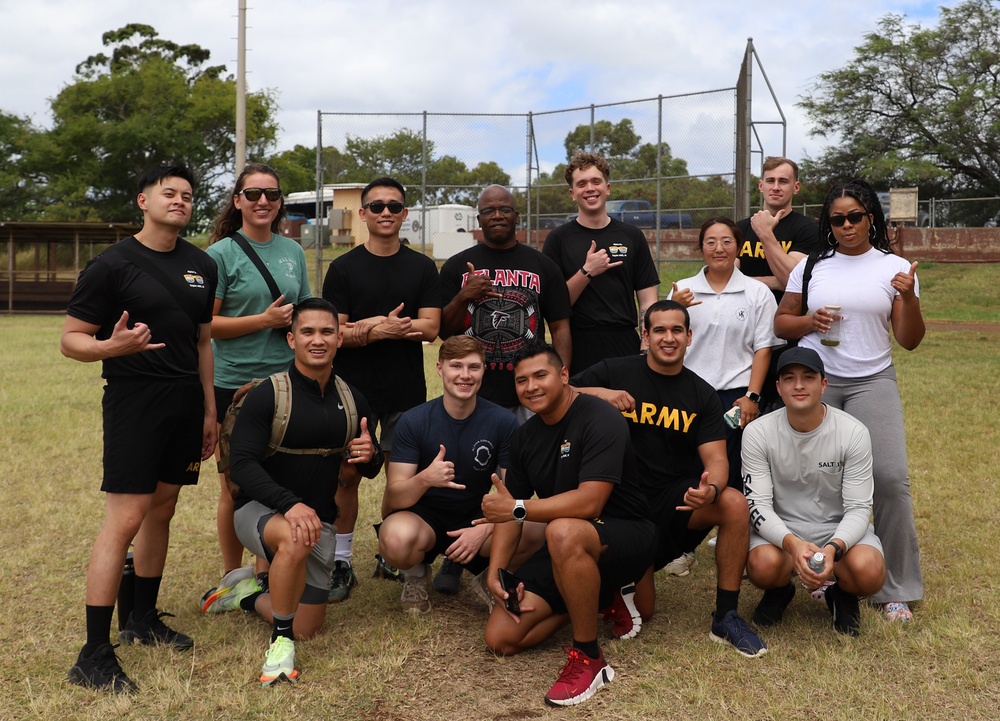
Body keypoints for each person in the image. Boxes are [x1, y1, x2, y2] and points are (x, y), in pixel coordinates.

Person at [61, 165, 218, 693]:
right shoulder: (112, 264)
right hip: (134, 401)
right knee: (124, 518)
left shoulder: (201, 264)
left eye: (187, 196)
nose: (179, 201)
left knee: (164, 506)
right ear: (143, 201)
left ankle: (141, 619)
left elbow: (202, 342)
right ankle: (92, 653)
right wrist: (112, 347)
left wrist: (209, 411)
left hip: (185, 402)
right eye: (168, 193)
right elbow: (71, 339)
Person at [202, 298, 383, 685]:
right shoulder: (268, 395)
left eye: (327, 332)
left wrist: (370, 456)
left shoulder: (353, 399)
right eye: (308, 332)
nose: (318, 340)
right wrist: (291, 504)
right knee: (295, 538)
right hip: (259, 512)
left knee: (309, 625)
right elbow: (243, 467)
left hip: (318, 521)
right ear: (291, 340)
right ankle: (280, 644)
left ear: (339, 338)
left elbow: (369, 469)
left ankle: (246, 595)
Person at [572, 300, 766, 658]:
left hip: (670, 500)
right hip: (617, 502)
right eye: (659, 329)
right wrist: (602, 394)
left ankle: (726, 616)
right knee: (645, 610)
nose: (668, 337)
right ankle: (619, 576)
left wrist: (711, 489)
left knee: (734, 503)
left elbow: (717, 459)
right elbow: (559, 390)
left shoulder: (701, 394)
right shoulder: (615, 372)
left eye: (677, 330)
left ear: (689, 336)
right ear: (645, 336)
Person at [774, 177, 925, 622]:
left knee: (890, 478)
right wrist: (808, 322)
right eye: (837, 219)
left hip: (871, 380)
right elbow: (783, 322)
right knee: (817, 483)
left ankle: (895, 587)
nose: (846, 225)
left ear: (871, 217)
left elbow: (909, 340)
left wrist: (907, 298)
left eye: (855, 216)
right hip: (819, 382)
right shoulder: (813, 266)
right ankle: (824, 573)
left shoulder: (894, 266)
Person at [478, 342, 655, 707]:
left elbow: (591, 501)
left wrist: (517, 508)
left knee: (560, 529)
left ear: (562, 375)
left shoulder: (599, 417)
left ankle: (589, 657)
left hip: (626, 531)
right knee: (500, 638)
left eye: (540, 375)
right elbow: (508, 514)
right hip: (571, 541)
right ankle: (599, 595)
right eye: (522, 380)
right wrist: (496, 572)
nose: (531, 387)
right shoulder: (526, 436)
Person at [321, 177, 441, 601]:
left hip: (405, 392)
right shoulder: (343, 268)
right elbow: (336, 333)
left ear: (405, 213)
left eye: (394, 206)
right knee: (347, 475)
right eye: (377, 206)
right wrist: (381, 328)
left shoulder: (423, 268)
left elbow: (430, 328)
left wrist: (367, 326)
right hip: (352, 393)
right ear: (363, 214)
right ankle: (340, 561)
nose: (386, 212)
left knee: (400, 477)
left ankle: (396, 559)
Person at [377, 336, 543, 612]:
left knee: (539, 531)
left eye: (473, 367)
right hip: (422, 518)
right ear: (440, 369)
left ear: (483, 370)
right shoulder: (414, 421)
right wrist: (426, 478)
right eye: (456, 366)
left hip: (475, 518)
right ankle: (417, 573)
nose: (465, 376)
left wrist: (488, 527)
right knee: (395, 538)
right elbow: (393, 495)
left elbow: (512, 495)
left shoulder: (502, 421)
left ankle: (490, 574)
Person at [206, 162, 311, 583]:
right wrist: (261, 321)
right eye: (253, 194)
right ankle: (233, 575)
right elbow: (206, 325)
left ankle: (267, 569)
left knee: (278, 478)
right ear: (238, 201)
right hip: (232, 383)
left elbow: (301, 313)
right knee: (234, 483)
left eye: (271, 194)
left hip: (285, 383)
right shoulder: (219, 255)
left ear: (280, 202)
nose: (263, 201)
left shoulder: (294, 252)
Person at [743, 347, 886, 636]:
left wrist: (834, 548)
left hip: (836, 529)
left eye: (808, 377)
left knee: (869, 571)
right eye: (789, 378)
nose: (798, 385)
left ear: (823, 384)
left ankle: (842, 595)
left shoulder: (853, 432)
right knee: (762, 566)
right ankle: (780, 590)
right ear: (778, 387)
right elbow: (756, 505)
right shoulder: (757, 432)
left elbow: (859, 508)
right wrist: (793, 544)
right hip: (783, 531)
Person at [668, 217, 783, 494]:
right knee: (686, 467)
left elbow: (763, 349)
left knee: (732, 470)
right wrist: (673, 307)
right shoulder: (682, 289)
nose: (719, 248)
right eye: (710, 242)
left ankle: (731, 528)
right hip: (688, 394)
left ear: (739, 247)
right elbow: (664, 341)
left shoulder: (758, 293)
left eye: (727, 241)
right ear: (701, 248)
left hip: (734, 398)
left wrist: (752, 397)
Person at [440, 184, 573, 414]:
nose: (498, 216)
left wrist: (560, 381)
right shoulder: (455, 266)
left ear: (516, 216)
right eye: (489, 211)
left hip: (531, 390)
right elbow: (444, 332)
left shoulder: (543, 266)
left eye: (505, 209)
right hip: (474, 390)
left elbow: (560, 328)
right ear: (479, 219)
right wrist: (465, 295)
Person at [542, 151, 660, 374]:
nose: (590, 188)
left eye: (596, 181)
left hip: (624, 341)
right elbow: (553, 304)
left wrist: (646, 347)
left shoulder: (632, 236)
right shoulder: (558, 239)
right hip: (578, 343)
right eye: (582, 183)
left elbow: (648, 300)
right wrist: (586, 271)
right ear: (572, 193)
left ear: (607, 188)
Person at [736, 157, 820, 411]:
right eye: (770, 181)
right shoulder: (739, 229)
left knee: (779, 407)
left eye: (783, 181)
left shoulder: (807, 230)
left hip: (784, 333)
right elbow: (724, 278)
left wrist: (765, 234)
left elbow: (792, 279)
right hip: (742, 329)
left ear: (796, 187)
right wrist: (770, 282)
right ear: (760, 186)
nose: (776, 186)